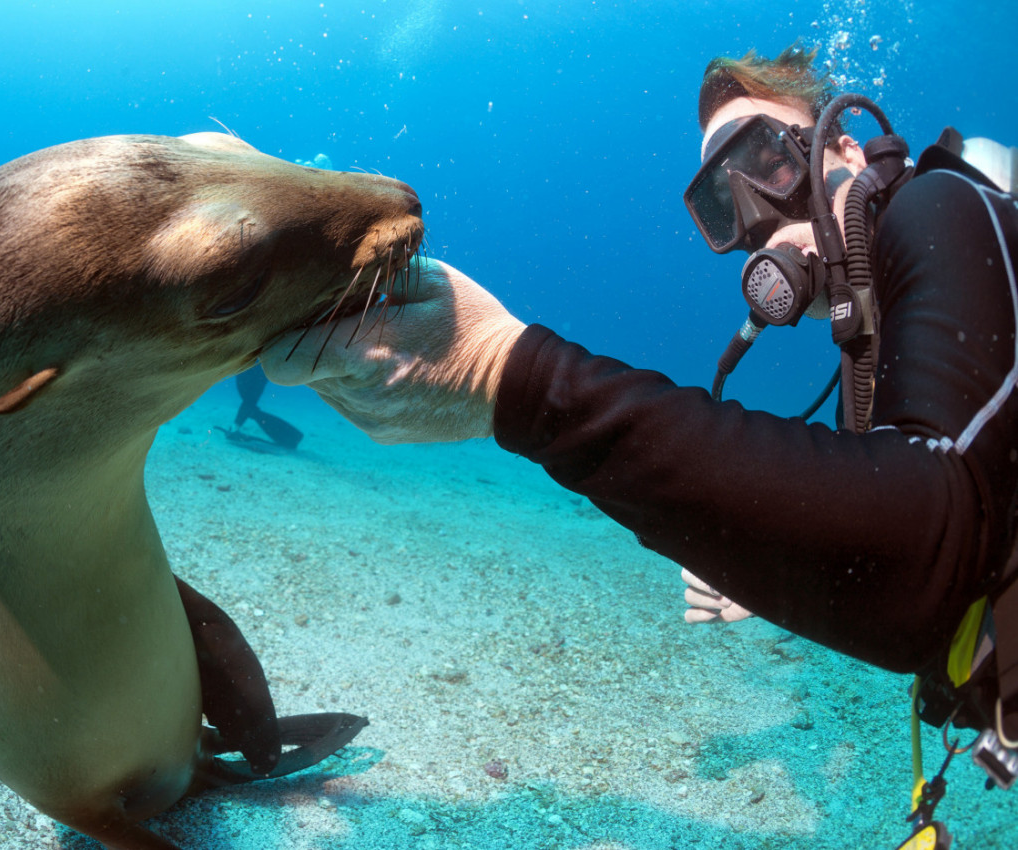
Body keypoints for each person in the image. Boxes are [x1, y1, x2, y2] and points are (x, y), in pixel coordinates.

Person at [260, 45, 1018, 771]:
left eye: (769, 163)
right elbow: (945, 546)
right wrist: (777, 550)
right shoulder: (884, 308)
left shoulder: (939, 202)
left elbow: (927, 544)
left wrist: (503, 374)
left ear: (847, 151)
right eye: (723, 202)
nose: (755, 217)